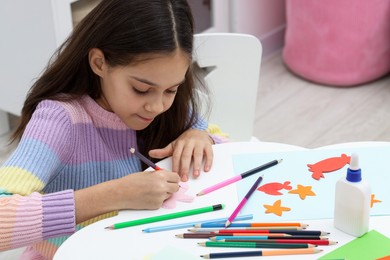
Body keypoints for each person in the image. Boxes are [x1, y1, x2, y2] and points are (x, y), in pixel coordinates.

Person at [0, 0, 226, 258]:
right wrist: (113, 195)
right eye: (141, 89)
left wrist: (199, 136)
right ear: (99, 63)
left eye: (172, 90)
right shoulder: (59, 119)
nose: (156, 106)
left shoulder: (164, 108)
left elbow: (223, 146)